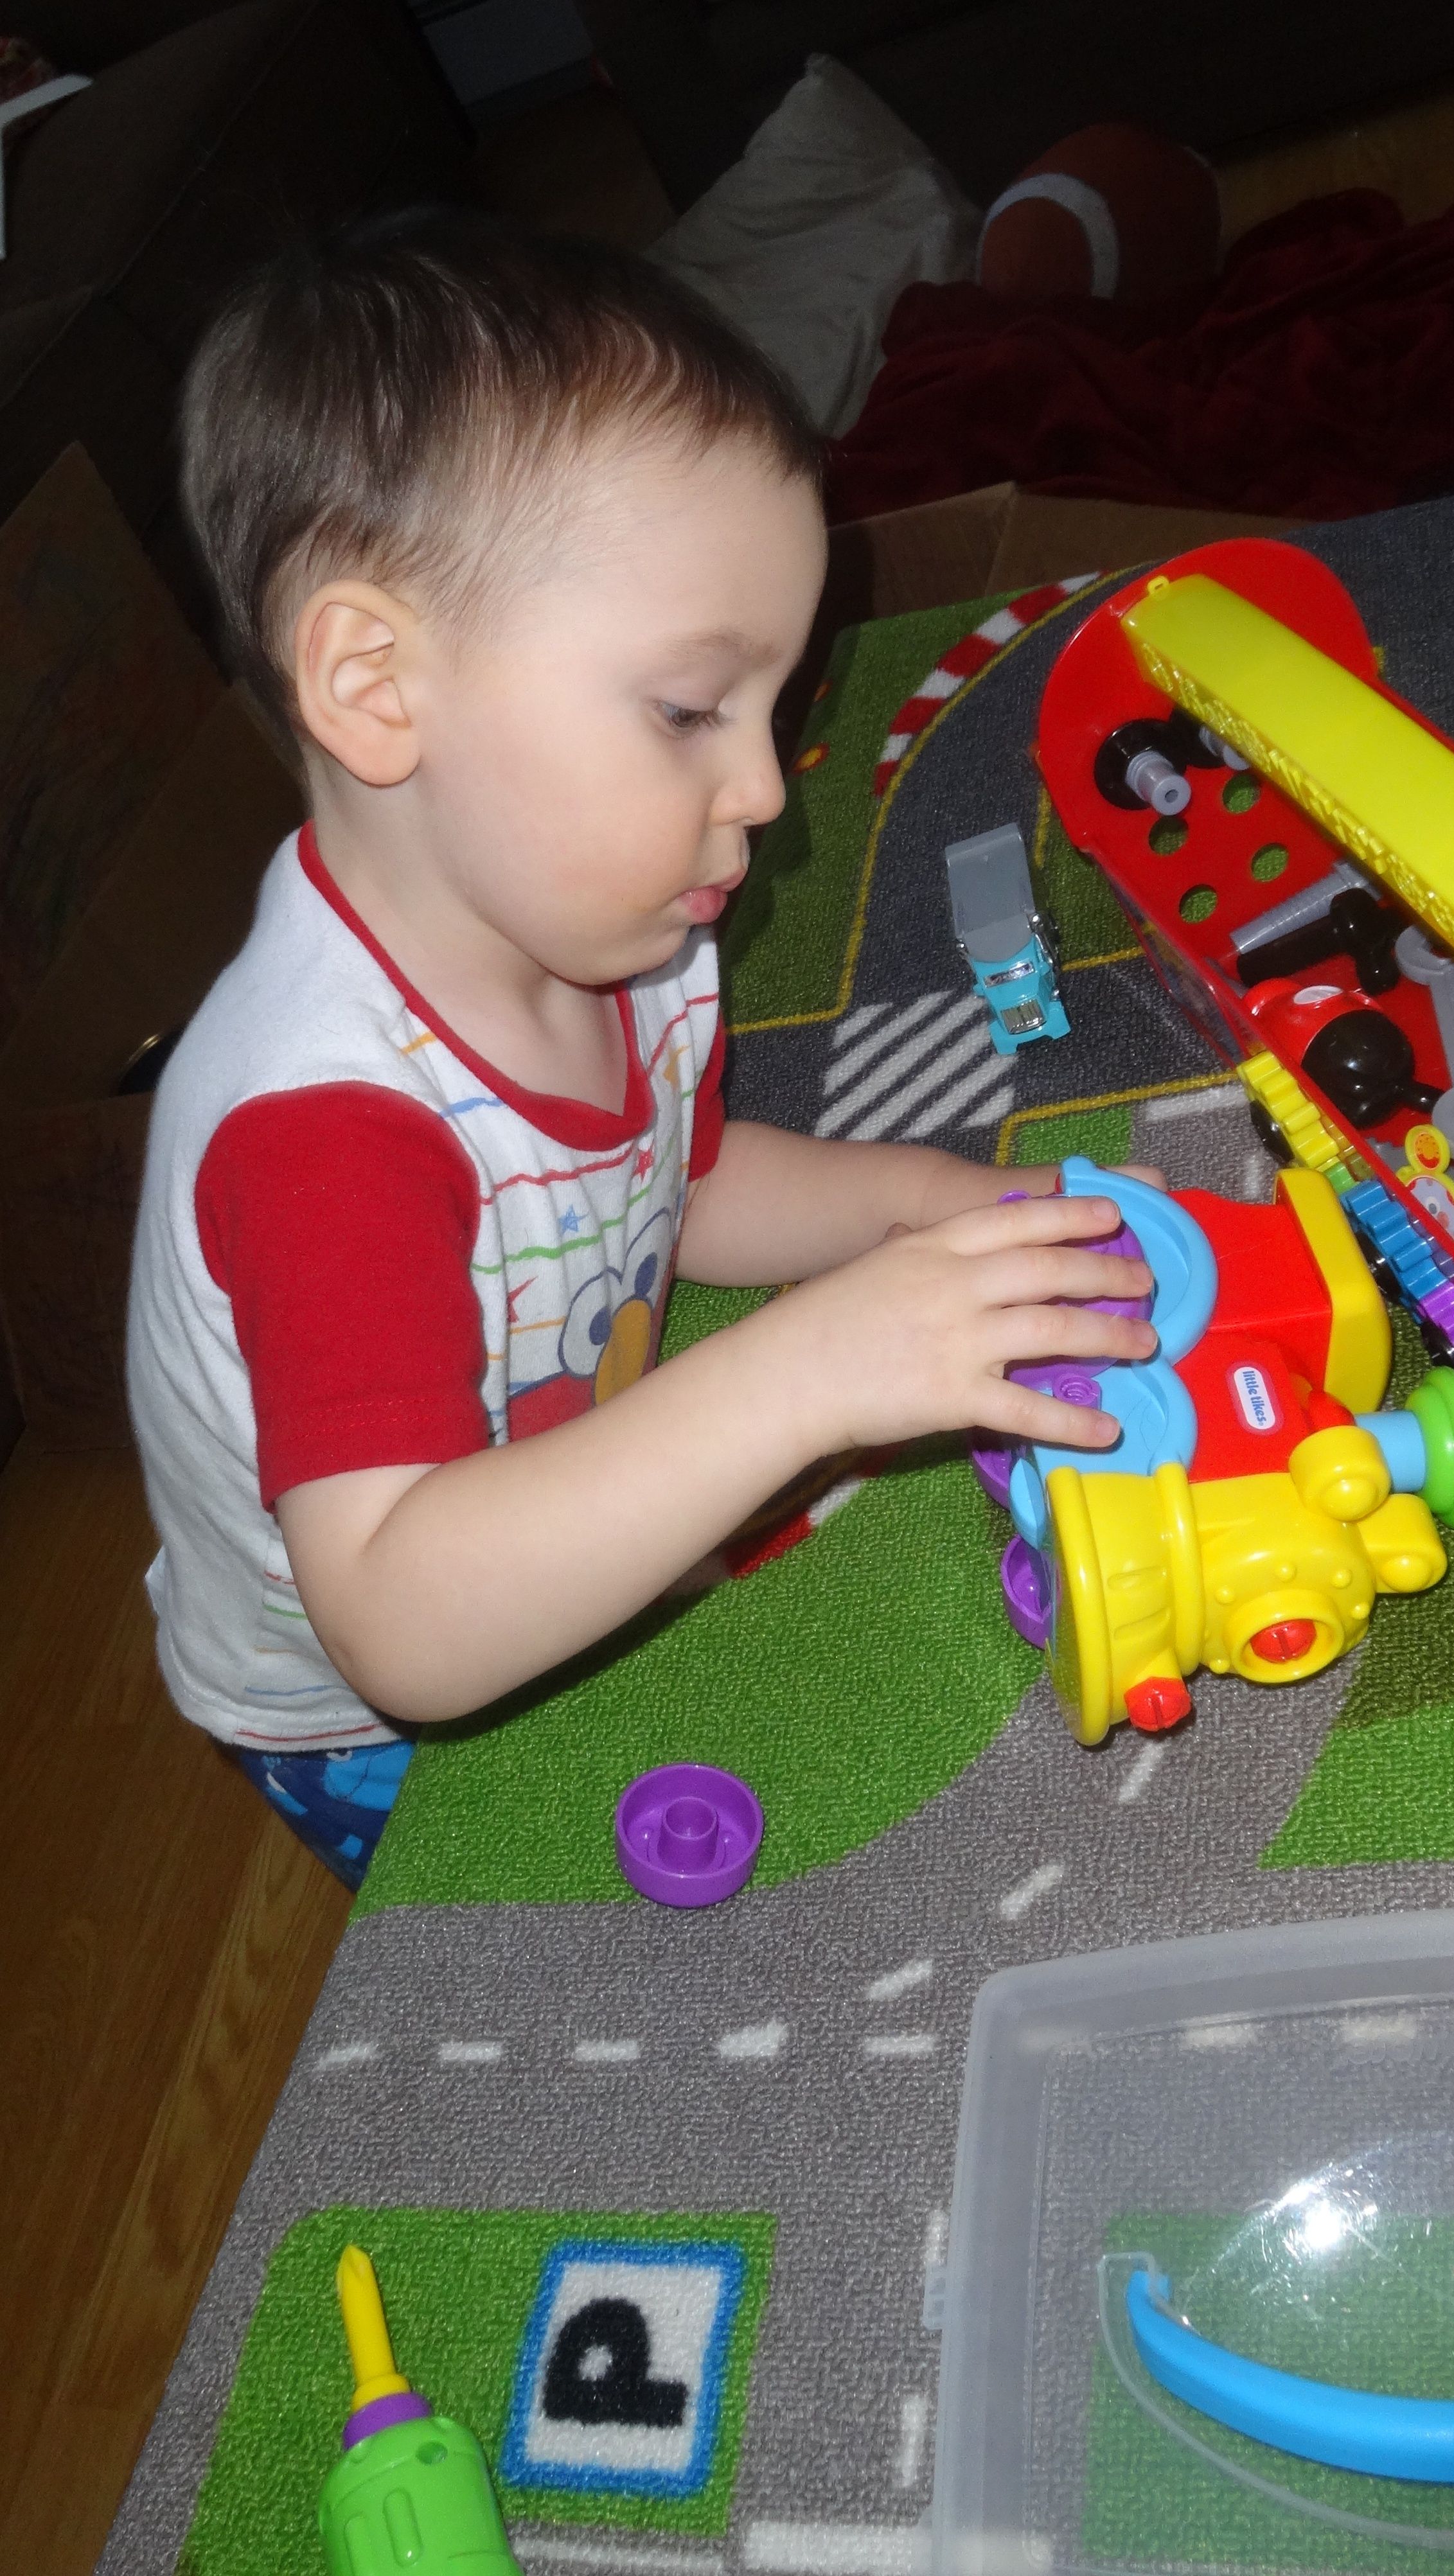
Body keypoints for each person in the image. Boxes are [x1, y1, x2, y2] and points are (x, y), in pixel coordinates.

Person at [128, 210, 1155, 1885]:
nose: (760, 788)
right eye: (689, 711)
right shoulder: (325, 1134)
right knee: (556, 1919)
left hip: (562, 1446)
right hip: (372, 1699)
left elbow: (674, 1177)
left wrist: (920, 1207)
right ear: (376, 686)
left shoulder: (612, 918)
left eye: (774, 710)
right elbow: (401, 1617)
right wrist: (810, 1369)